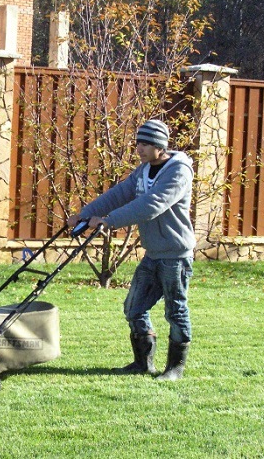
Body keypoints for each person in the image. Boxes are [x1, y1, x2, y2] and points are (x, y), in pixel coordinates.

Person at [67, 119, 195, 381]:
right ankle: (142, 363)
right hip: (153, 254)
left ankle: (175, 368)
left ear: (160, 146)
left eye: (146, 143)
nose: (140, 148)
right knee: (134, 307)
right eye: (138, 142)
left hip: (175, 255)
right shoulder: (143, 170)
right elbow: (120, 194)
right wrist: (85, 214)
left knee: (176, 310)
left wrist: (109, 220)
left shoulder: (178, 171)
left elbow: (152, 204)